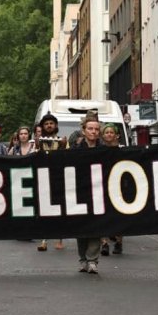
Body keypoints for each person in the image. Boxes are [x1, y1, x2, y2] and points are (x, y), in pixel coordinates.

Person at [72, 111, 103, 274]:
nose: (93, 132)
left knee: (96, 226)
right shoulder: (76, 149)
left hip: (98, 192)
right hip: (80, 192)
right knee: (81, 227)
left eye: (96, 129)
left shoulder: (104, 149)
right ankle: (83, 259)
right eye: (90, 129)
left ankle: (92, 260)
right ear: (84, 131)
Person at [36, 113, 68, 251]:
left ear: (56, 125)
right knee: (44, 209)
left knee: (59, 208)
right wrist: (37, 146)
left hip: (59, 178)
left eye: (51, 123)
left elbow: (68, 158)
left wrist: (63, 146)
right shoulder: (39, 141)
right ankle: (44, 239)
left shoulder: (62, 141)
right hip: (43, 178)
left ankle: (59, 238)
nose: (49, 126)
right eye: (46, 124)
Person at [99, 123, 123, 256]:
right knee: (102, 215)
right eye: (106, 132)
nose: (109, 134)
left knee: (118, 215)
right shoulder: (99, 150)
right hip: (102, 185)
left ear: (116, 135)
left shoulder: (123, 150)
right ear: (103, 136)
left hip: (119, 186)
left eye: (111, 132)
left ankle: (119, 242)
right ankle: (104, 243)